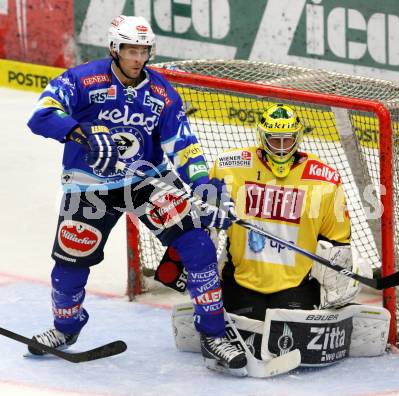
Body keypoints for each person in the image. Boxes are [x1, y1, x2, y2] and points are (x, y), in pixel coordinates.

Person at [26, 15, 246, 371]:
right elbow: (40, 114)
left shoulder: (160, 92)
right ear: (114, 48)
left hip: (147, 180)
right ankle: (66, 328)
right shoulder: (84, 79)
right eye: (130, 50)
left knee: (198, 245)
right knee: (69, 266)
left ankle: (214, 333)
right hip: (90, 184)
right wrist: (79, 132)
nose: (137, 58)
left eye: (143, 50)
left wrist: (203, 183)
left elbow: (183, 144)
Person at [209, 104, 363, 321]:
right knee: (247, 338)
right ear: (262, 137)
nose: (281, 148)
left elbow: (337, 241)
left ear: (297, 137)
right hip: (242, 279)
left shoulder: (324, 178)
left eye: (287, 139)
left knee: (291, 344)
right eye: (274, 140)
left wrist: (337, 284)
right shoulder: (229, 166)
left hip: (296, 283)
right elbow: (206, 223)